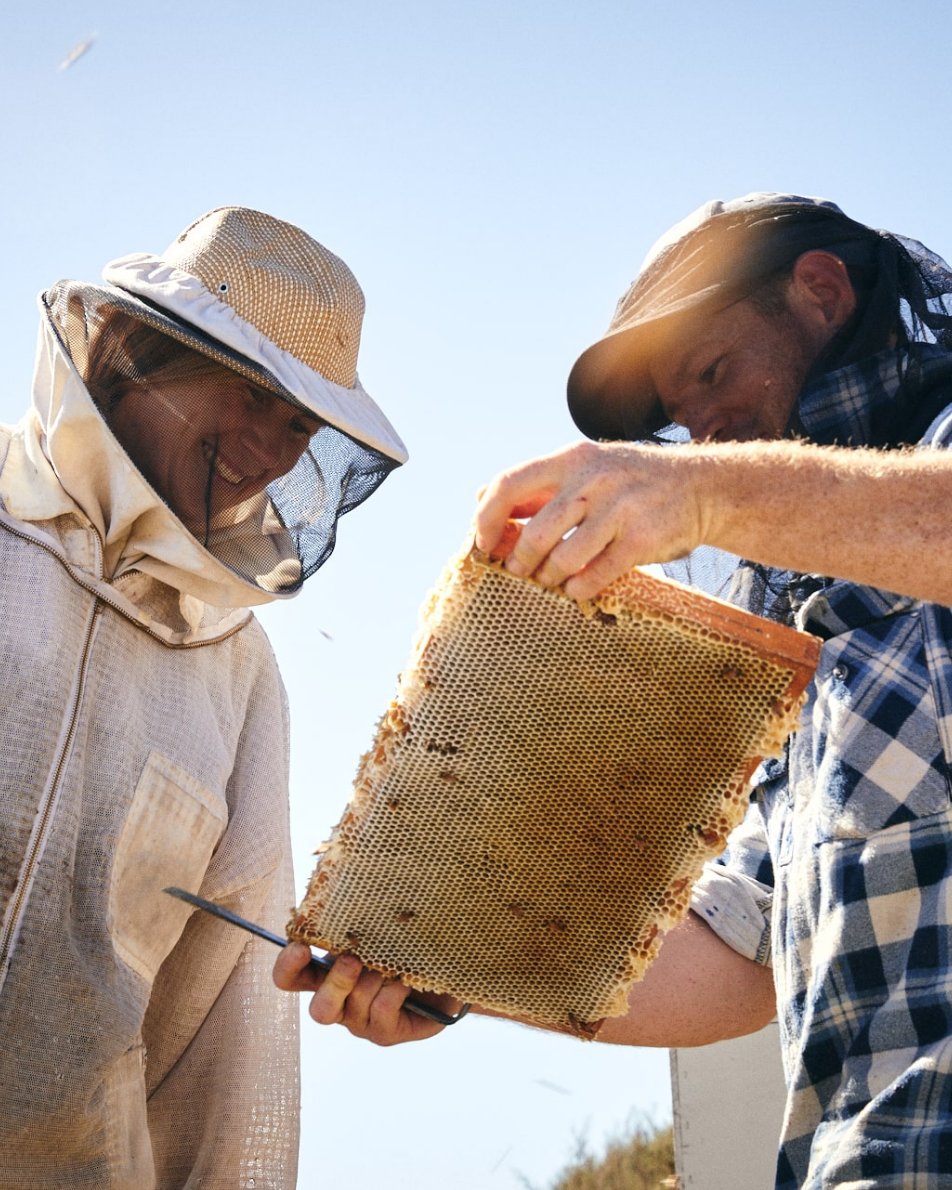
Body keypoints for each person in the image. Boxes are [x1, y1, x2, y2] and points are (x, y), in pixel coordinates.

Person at [274, 193, 952, 1187]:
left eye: (714, 372)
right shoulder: (799, 627)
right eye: (681, 420)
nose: (704, 429)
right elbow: (744, 950)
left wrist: (702, 492)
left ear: (818, 291)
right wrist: (451, 959)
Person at [0, 205, 407, 1188]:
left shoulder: (238, 675)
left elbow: (229, 1034)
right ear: (138, 345)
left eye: (300, 425)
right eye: (255, 394)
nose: (272, 451)